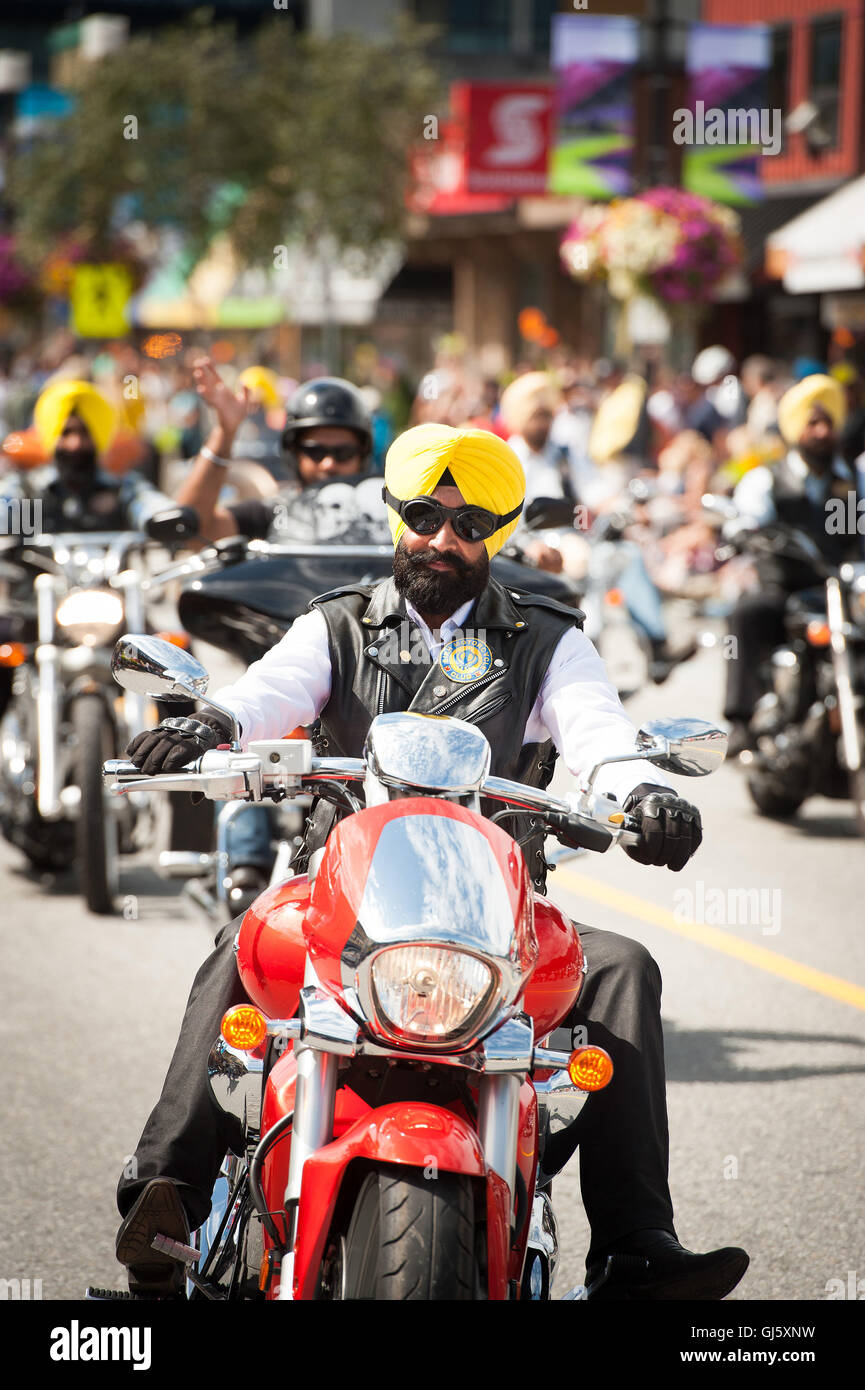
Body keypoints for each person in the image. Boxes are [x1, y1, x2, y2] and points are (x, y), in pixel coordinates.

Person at [115, 422, 748, 1302]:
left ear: (497, 533)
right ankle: (168, 1197)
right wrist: (214, 724)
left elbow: (598, 730)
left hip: (500, 913)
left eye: (467, 524)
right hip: (339, 900)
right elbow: (271, 690)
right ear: (395, 516)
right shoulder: (335, 624)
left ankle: (636, 1241)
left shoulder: (547, 638)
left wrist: (642, 792)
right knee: (241, 942)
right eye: (423, 515)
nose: (441, 540)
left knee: (621, 970)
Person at [173, 364, 378, 904]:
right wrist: (224, 431)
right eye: (315, 451)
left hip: (382, 671)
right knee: (248, 721)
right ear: (295, 453)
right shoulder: (276, 510)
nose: (330, 463)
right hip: (292, 674)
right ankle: (245, 858)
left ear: (365, 451)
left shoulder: (397, 513)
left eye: (343, 451)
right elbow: (192, 525)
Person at [0, 380, 183, 724]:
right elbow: (6, 509)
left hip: (112, 613)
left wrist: (167, 518)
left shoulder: (121, 488)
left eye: (85, 433)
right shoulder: (29, 492)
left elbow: (148, 504)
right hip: (36, 612)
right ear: (52, 433)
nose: (75, 443)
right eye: (66, 432)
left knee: (174, 653)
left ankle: (181, 753)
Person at [723, 374, 865, 755]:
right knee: (746, 615)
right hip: (785, 589)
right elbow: (743, 520)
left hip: (842, 592)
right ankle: (741, 720)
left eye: (828, 423)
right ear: (795, 428)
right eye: (812, 423)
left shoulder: (856, 479)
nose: (821, 431)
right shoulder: (766, 479)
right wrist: (744, 532)